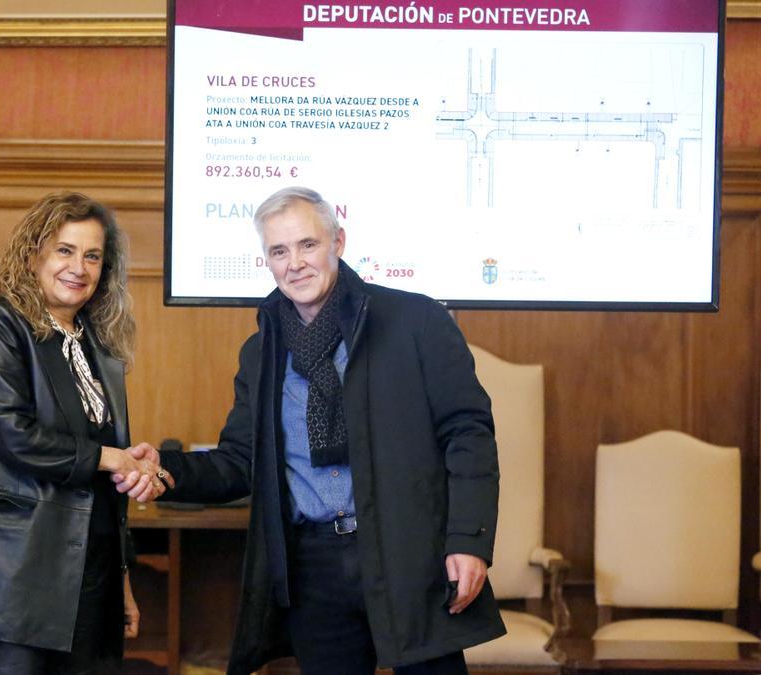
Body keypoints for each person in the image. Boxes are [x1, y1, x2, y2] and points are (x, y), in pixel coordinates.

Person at [118, 187, 505, 675]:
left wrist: (468, 540)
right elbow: (240, 461)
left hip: (408, 555)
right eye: (279, 251)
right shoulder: (261, 351)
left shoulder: (415, 320)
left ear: (338, 242)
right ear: (267, 261)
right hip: (313, 567)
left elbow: (467, 435)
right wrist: (164, 468)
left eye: (307, 245)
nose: (294, 263)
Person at [0, 191, 167, 675]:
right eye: (64, 250)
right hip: (18, 575)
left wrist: (121, 576)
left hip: (93, 576)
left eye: (92, 256)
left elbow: (102, 481)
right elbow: (14, 436)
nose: (78, 267)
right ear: (32, 254)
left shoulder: (99, 345)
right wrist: (112, 457)